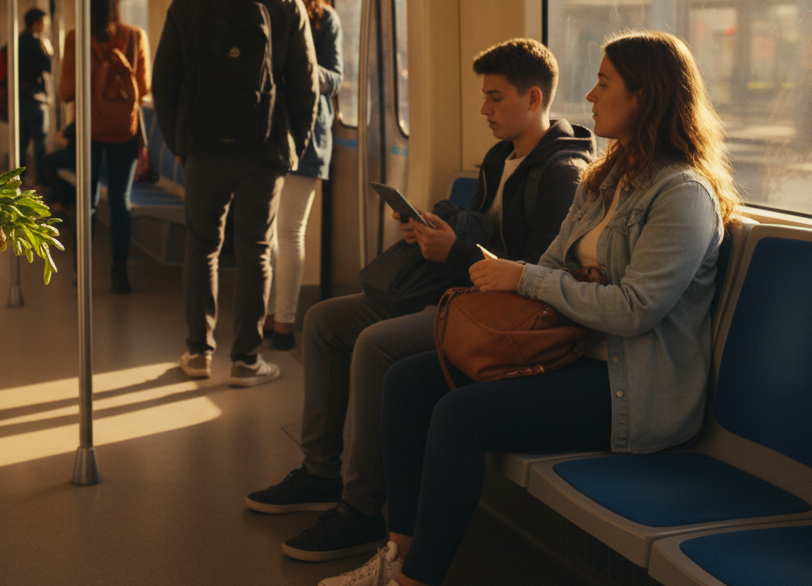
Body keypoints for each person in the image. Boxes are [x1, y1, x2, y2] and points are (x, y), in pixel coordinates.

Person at [326, 31, 739, 586]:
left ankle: (414, 580)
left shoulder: (682, 195)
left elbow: (635, 310)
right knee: (407, 381)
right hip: (569, 352)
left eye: (603, 82)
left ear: (645, 96)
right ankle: (398, 551)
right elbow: (550, 264)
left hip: (629, 387)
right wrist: (547, 280)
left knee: (458, 415)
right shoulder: (604, 180)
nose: (590, 97)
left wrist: (536, 280)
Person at [247, 38, 596, 563]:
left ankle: (363, 508)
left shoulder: (563, 174)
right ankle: (320, 471)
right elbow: (484, 231)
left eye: (495, 98)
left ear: (533, 98)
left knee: (374, 345)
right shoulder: (500, 158)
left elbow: (535, 276)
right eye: (484, 97)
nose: (484, 110)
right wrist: (434, 233)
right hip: (459, 292)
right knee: (322, 321)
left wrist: (454, 251)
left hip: (500, 318)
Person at [152, 0, 318, 388]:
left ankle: (197, 352)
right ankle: (246, 360)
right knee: (255, 251)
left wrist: (179, 143)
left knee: (201, 247)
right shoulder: (286, 3)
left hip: (202, 149)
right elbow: (304, 86)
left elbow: (165, 81)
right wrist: (291, 148)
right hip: (263, 152)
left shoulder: (189, 2)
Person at [262, 0, 342, 350]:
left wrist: (301, 66)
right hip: (280, 134)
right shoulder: (300, 14)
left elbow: (334, 79)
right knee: (276, 234)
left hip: (299, 135)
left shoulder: (321, 18)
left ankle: (282, 322)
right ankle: (272, 317)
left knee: (284, 233)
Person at [58, 0, 151, 294]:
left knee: (87, 201)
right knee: (121, 201)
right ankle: (119, 273)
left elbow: (66, 91)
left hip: (87, 131)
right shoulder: (136, 37)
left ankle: (81, 272)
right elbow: (145, 87)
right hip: (125, 131)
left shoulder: (75, 38)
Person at [18, 8, 53, 184]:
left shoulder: (17, 42)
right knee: (40, 140)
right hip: (35, 97)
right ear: (35, 23)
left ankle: (19, 178)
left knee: (21, 141)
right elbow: (47, 67)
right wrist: (47, 50)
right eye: (43, 22)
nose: (44, 26)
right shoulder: (37, 43)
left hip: (19, 96)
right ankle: (41, 179)